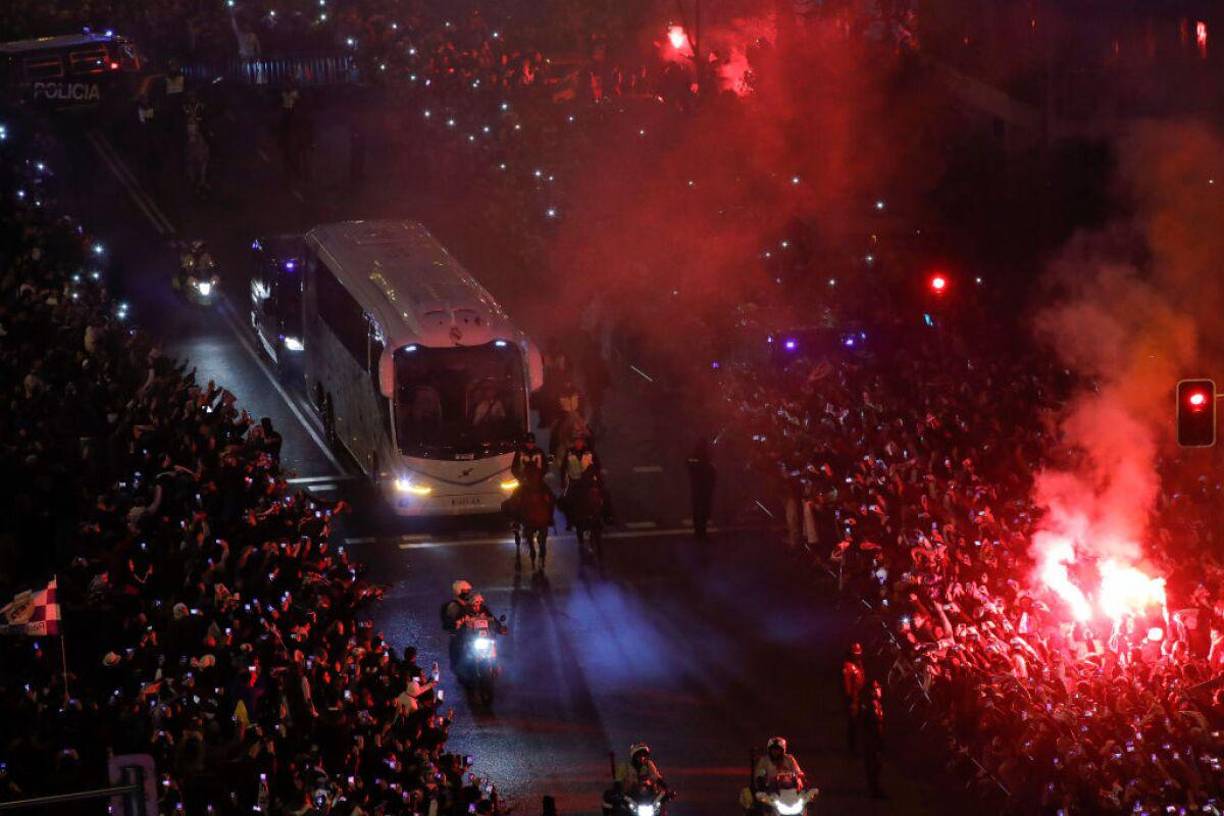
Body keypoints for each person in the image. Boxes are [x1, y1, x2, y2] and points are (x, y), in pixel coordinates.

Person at [603, 743, 669, 814]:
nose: (642, 758)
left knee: (662, 811)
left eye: (644, 755)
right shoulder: (624, 767)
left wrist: (666, 788)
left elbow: (656, 777)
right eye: (639, 755)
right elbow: (618, 782)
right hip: (629, 797)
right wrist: (618, 791)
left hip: (648, 797)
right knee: (610, 802)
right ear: (634, 757)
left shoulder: (649, 765)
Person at [686, 437, 716, 540]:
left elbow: (688, 465)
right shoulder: (704, 460)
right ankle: (701, 533)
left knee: (699, 511)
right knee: (702, 512)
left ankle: (699, 533)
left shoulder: (695, 459)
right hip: (703, 489)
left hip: (699, 489)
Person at [860, 680, 886, 799]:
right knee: (873, 765)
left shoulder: (877, 704)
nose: (879, 690)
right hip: (871, 741)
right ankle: (873, 790)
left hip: (876, 740)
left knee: (877, 766)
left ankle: (875, 788)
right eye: (876, 688)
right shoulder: (868, 706)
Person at [842, 642, 866, 753]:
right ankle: (852, 748)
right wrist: (850, 700)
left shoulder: (859, 664)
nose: (858, 656)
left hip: (860, 697)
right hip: (853, 699)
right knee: (853, 724)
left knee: (860, 723)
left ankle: (859, 746)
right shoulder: (848, 666)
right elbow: (847, 685)